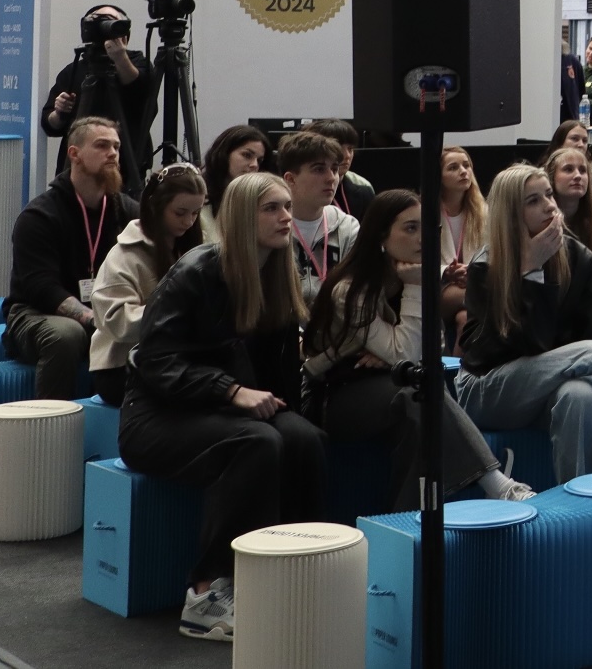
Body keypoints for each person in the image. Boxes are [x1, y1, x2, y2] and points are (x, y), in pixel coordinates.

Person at [117, 171, 323, 643]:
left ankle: (290, 570)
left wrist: (285, 408)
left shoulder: (278, 270)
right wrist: (230, 391)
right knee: (256, 442)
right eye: (271, 208)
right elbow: (155, 363)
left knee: (305, 438)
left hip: (221, 410)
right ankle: (205, 595)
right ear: (242, 216)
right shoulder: (195, 271)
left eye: (287, 206)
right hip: (155, 416)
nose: (285, 216)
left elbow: (280, 372)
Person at [303, 189, 534, 509]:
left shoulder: (415, 275)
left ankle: (409, 515)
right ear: (381, 236)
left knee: (420, 396)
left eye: (426, 227)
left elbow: (431, 348)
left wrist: (391, 357)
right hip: (334, 394)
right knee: (418, 392)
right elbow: (406, 355)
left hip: (388, 384)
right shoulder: (350, 290)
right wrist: (413, 294)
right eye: (410, 228)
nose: (422, 238)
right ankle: (496, 483)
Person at [457, 165, 592, 483]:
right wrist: (531, 272)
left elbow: (585, 336)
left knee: (579, 396)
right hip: (486, 389)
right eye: (533, 201)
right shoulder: (486, 265)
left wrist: (557, 365)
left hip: (550, 386)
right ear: (510, 213)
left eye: (548, 195)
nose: (549, 206)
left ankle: (576, 497)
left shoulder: (579, 257)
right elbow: (488, 353)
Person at [3, 116, 138, 398]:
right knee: (66, 335)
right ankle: (51, 420)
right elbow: (41, 288)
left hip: (104, 311)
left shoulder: (127, 212)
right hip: (36, 312)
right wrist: (95, 319)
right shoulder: (39, 215)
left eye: (116, 146)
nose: (113, 153)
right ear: (74, 154)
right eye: (102, 145)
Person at [90, 163, 206, 406]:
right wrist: (177, 310)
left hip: (180, 358)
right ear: (155, 205)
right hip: (122, 366)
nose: (188, 221)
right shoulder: (124, 255)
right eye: (180, 212)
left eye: (196, 213)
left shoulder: (196, 249)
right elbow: (116, 322)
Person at [40, 5, 153, 194]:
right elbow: (50, 124)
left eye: (109, 21)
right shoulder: (74, 70)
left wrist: (119, 57)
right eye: (96, 21)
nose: (103, 27)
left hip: (126, 167)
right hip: (78, 169)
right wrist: (59, 113)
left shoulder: (137, 62)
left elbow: (141, 90)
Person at [278, 132, 361, 306]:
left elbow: (355, 294)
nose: (331, 178)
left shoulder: (348, 227)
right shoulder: (271, 225)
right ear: (291, 179)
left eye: (335, 169)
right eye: (319, 169)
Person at [200, 125, 271, 246]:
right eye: (247, 155)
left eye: (259, 160)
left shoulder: (257, 203)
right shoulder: (198, 201)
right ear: (224, 154)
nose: (255, 165)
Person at [546, 144, 592, 256]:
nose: (578, 176)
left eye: (582, 170)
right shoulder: (540, 224)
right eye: (568, 169)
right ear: (551, 177)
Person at [306, 119, 374, 221]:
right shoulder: (299, 188)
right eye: (338, 148)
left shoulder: (363, 187)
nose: (347, 155)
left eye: (350, 149)